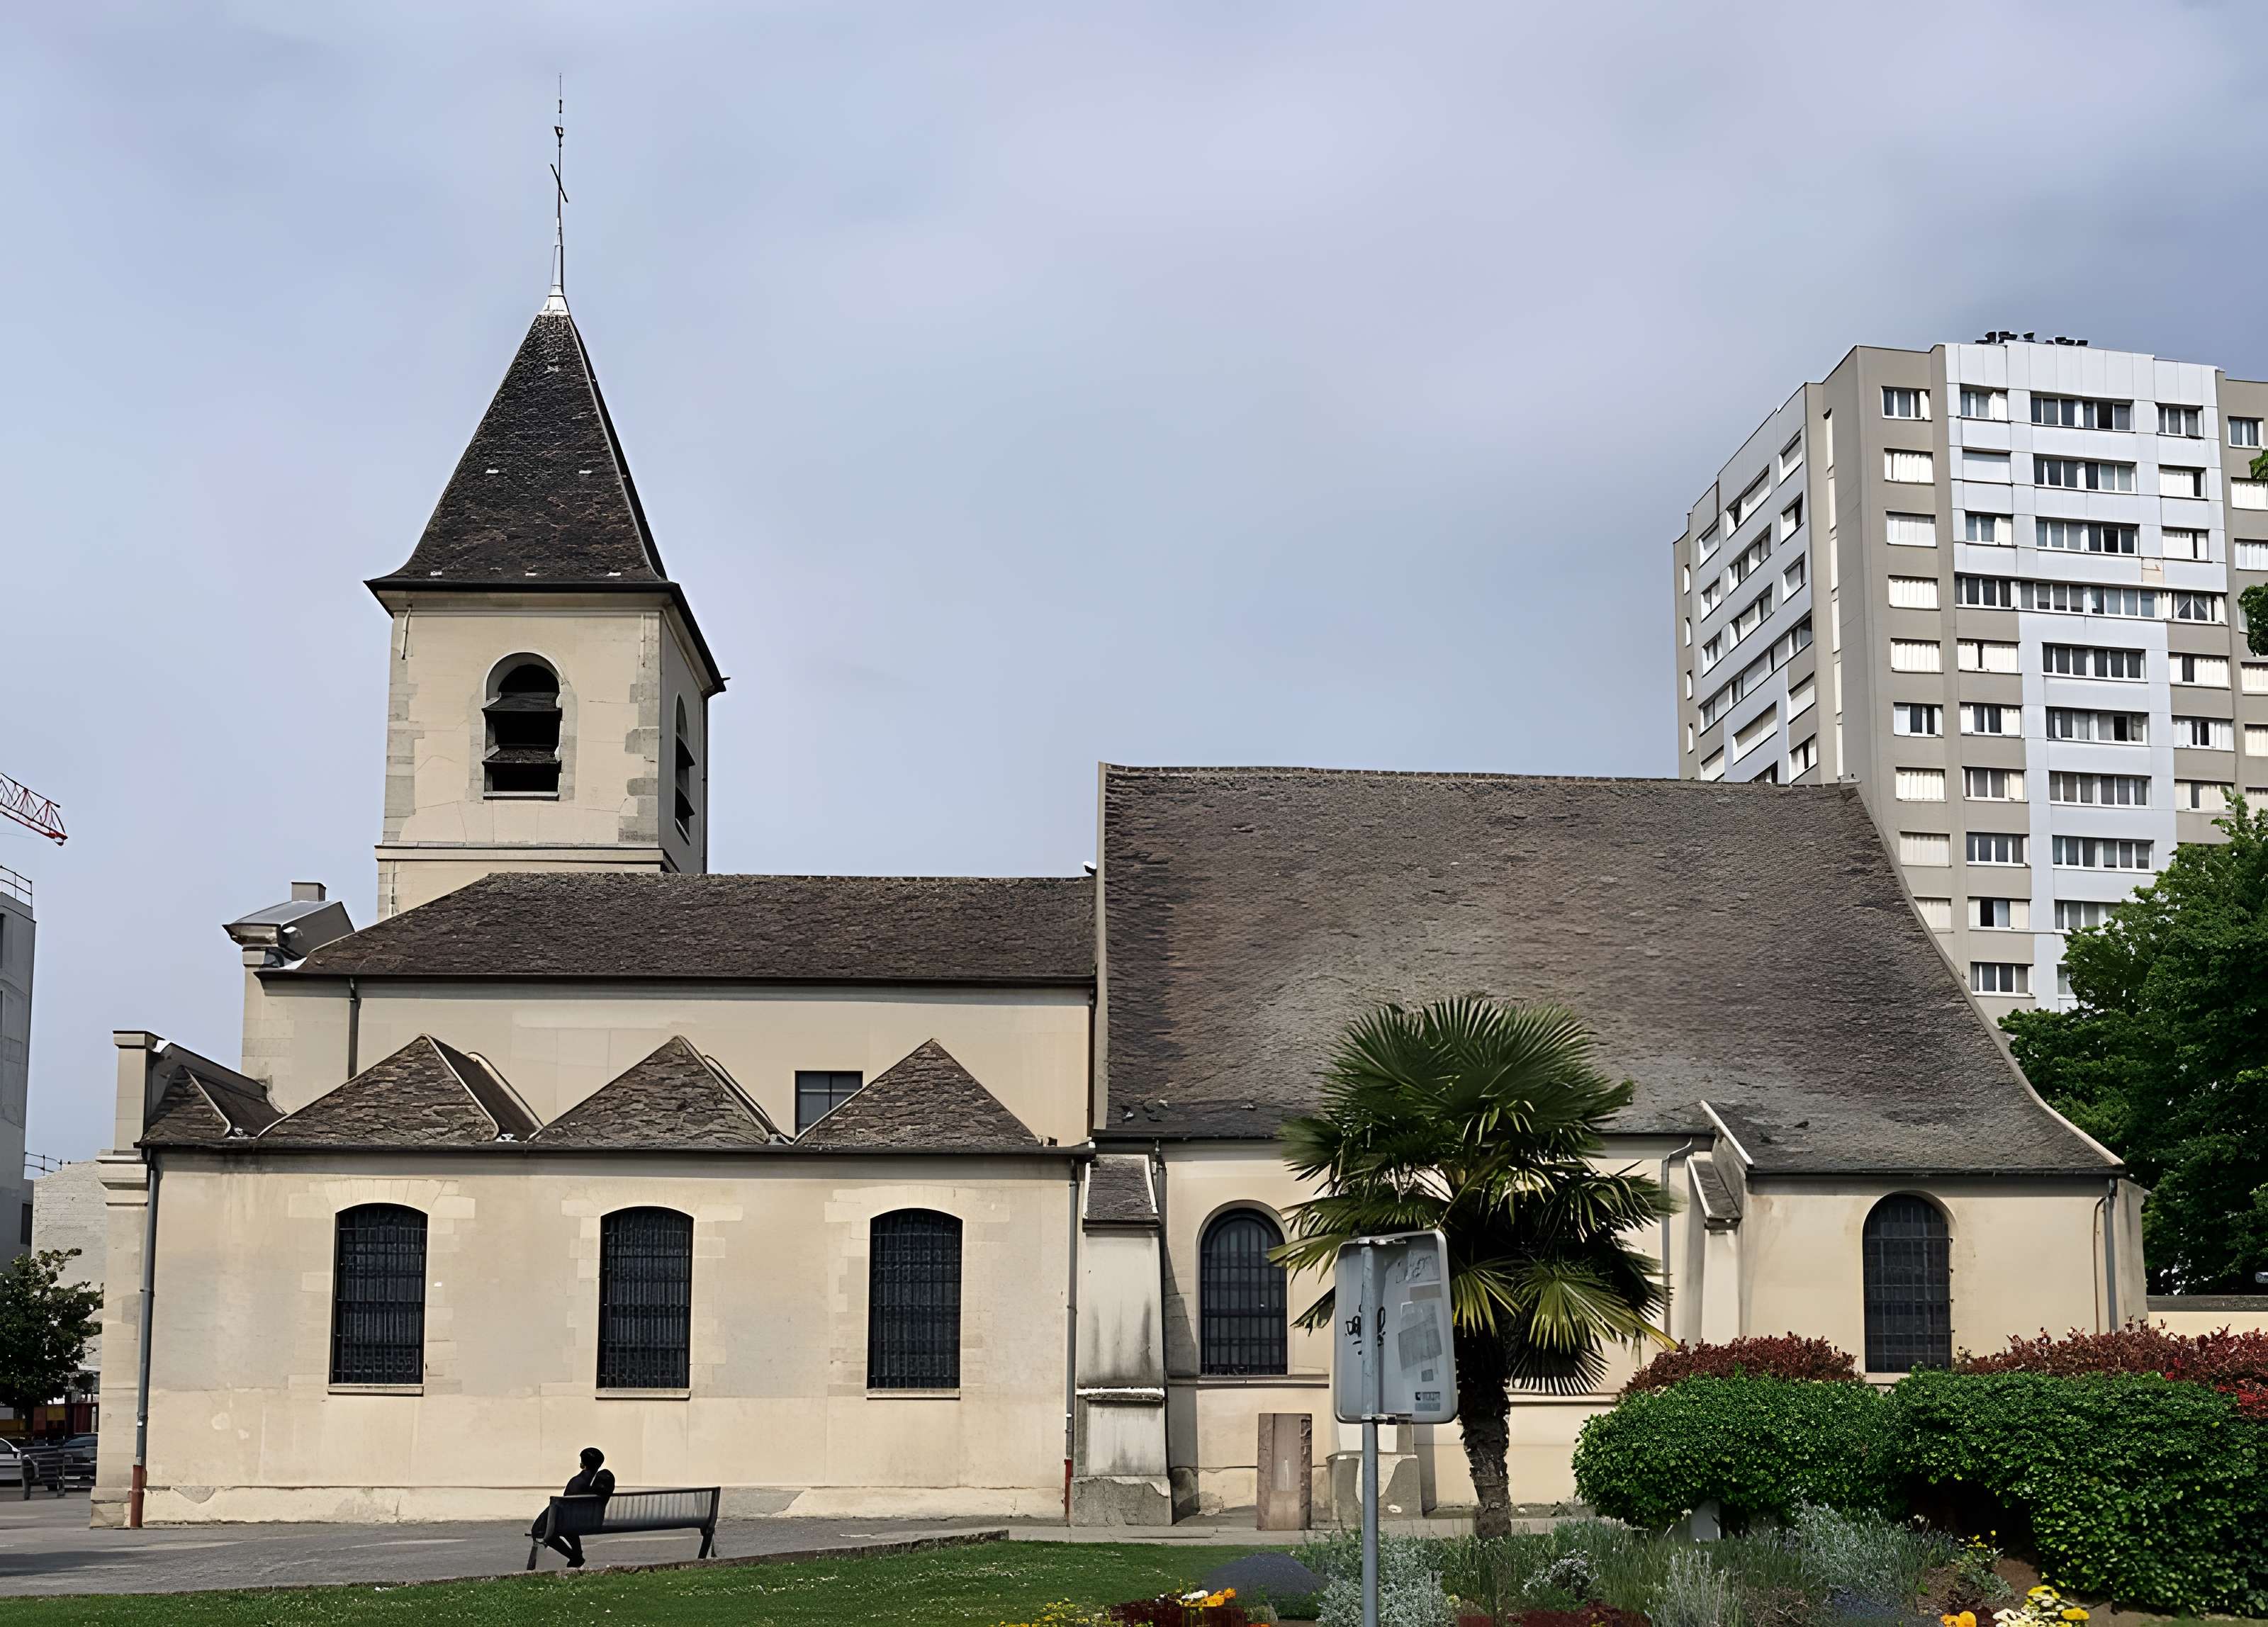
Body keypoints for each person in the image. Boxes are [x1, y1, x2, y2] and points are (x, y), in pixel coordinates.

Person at [532, 1446, 614, 1569]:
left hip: (568, 1522)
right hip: (590, 1522)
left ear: (583, 1464)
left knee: (543, 1530)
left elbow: (566, 1510)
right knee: (568, 1522)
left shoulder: (577, 1482)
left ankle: (575, 1556)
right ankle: (577, 1554)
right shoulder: (603, 1481)